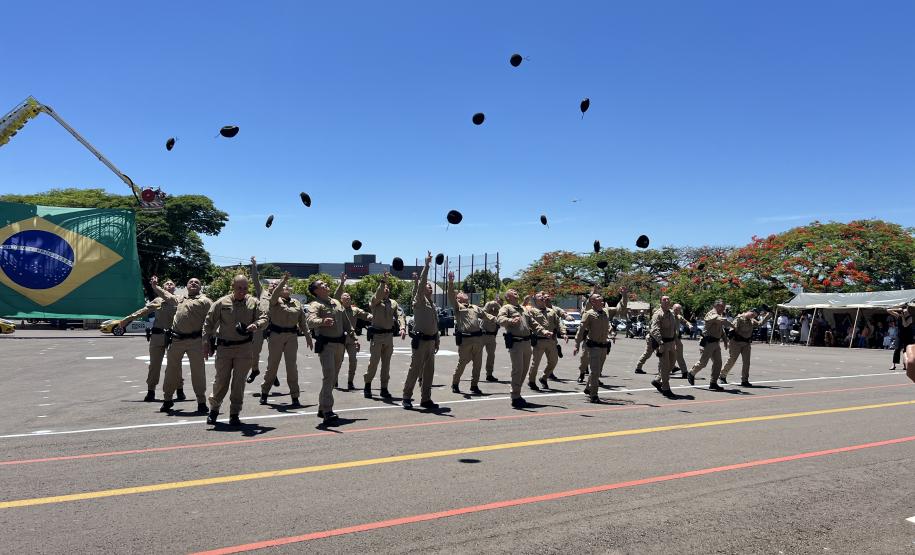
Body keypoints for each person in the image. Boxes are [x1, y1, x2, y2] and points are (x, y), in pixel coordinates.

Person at [203, 275, 267, 426]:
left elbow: (264, 318)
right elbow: (208, 322)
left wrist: (256, 325)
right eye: (239, 288)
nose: (242, 291)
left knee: (239, 383)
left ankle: (234, 414)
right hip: (224, 348)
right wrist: (205, 342)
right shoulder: (221, 302)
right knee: (221, 381)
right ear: (233, 286)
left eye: (245, 288)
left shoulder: (253, 302)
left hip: (244, 348)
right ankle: (214, 410)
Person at [152, 276, 212, 414]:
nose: (193, 283)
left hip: (195, 341)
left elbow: (213, 320)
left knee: (198, 373)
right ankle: (167, 400)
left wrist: (209, 341)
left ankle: (201, 402)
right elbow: (166, 295)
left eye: (197, 282)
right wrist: (156, 287)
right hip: (176, 340)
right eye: (191, 282)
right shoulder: (179, 299)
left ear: (200, 287)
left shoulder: (206, 301)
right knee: (171, 372)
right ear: (186, 286)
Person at [118, 278, 182, 402]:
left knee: (175, 365)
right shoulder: (157, 301)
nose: (169, 285)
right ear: (163, 287)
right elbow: (143, 311)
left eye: (171, 284)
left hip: (173, 336)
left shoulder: (179, 300)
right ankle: (151, 390)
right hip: (157, 336)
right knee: (154, 365)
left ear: (175, 287)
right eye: (166, 284)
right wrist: (127, 319)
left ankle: (180, 389)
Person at [260, 273, 311, 407]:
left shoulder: (297, 303)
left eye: (287, 287)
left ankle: (295, 396)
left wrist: (308, 336)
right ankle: (264, 393)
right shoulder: (274, 300)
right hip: (276, 335)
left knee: (292, 367)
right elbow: (275, 294)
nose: (285, 288)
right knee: (272, 366)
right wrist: (282, 281)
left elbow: (303, 321)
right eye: (282, 287)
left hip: (291, 336)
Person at [307, 277, 353, 424]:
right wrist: (322, 321)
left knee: (332, 379)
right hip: (327, 346)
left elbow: (346, 322)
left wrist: (354, 338)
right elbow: (310, 321)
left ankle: (322, 408)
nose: (325, 285)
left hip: (340, 345)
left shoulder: (336, 302)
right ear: (316, 291)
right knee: (329, 376)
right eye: (322, 284)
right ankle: (327, 410)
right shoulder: (315, 304)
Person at [498, 288, 552, 408]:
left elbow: (533, 323)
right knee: (517, 369)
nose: (515, 291)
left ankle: (517, 392)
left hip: (527, 343)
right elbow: (500, 320)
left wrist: (543, 331)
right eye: (512, 291)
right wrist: (511, 320)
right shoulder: (506, 308)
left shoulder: (523, 309)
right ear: (508, 297)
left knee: (524, 370)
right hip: (516, 343)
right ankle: (515, 396)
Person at [574, 287, 628, 402]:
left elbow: (620, 308)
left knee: (597, 371)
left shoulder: (606, 311)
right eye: (598, 297)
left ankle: (588, 388)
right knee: (594, 371)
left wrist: (624, 295)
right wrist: (577, 345)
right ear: (593, 302)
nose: (601, 298)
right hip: (593, 346)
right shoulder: (588, 314)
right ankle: (594, 395)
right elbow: (581, 330)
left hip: (603, 346)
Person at [402, 251, 440, 410]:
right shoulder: (418, 300)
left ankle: (426, 399)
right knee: (415, 370)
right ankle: (406, 397)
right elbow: (422, 281)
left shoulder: (432, 305)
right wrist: (426, 265)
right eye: (427, 286)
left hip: (431, 341)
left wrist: (437, 340)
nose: (429, 287)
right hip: (420, 341)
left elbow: (435, 325)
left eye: (431, 286)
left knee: (429, 372)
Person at [448, 272, 494, 394]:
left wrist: (500, 320)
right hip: (465, 340)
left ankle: (474, 385)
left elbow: (486, 315)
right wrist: (451, 282)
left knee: (478, 364)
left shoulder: (475, 307)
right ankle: (455, 383)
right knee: (462, 363)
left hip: (478, 339)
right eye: (461, 293)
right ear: (458, 298)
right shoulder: (458, 306)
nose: (464, 293)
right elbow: (450, 295)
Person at [364, 272, 407, 398]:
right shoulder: (375, 301)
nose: (386, 290)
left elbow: (400, 315)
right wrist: (383, 281)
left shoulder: (393, 303)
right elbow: (378, 294)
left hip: (388, 337)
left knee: (386, 365)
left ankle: (384, 388)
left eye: (388, 288)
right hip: (377, 337)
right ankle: (368, 385)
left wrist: (403, 327)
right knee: (373, 363)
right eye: (384, 288)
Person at [334, 273, 371, 391]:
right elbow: (336, 295)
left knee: (353, 361)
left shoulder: (354, 310)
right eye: (345, 297)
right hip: (339, 339)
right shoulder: (338, 309)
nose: (347, 299)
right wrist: (342, 282)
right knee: (338, 361)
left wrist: (373, 317)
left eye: (349, 297)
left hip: (351, 338)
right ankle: (334, 380)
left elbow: (365, 315)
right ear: (341, 300)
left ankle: (350, 381)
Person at [246, 257, 279, 389]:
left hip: (274, 327)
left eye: (276, 285)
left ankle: (272, 374)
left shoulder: (281, 298)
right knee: (255, 350)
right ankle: (255, 370)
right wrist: (254, 266)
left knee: (274, 353)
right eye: (272, 284)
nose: (273, 286)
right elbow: (255, 278)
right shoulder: (262, 292)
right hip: (260, 325)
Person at [687, 299, 733, 390]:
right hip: (708, 341)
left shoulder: (719, 315)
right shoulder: (711, 314)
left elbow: (721, 328)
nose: (723, 308)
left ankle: (713, 382)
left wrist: (724, 339)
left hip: (716, 342)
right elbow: (719, 320)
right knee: (703, 363)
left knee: (718, 363)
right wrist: (731, 324)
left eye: (724, 307)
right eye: (722, 306)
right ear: (716, 306)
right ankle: (691, 373)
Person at [720, 308, 771, 387]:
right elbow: (732, 330)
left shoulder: (751, 320)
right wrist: (729, 342)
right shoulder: (739, 319)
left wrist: (767, 316)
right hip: (736, 342)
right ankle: (722, 376)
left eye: (754, 315)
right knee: (732, 359)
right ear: (749, 311)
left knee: (746, 362)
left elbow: (759, 324)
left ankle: (745, 380)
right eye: (752, 314)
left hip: (746, 343)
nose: (753, 316)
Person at [528, 291, 566, 390]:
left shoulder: (551, 311)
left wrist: (563, 332)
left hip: (551, 341)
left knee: (553, 361)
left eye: (543, 296)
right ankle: (531, 381)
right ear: (535, 300)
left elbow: (558, 323)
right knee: (535, 363)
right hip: (539, 341)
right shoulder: (532, 311)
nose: (542, 297)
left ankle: (544, 378)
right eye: (539, 296)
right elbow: (531, 325)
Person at [648, 296, 679, 397]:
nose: (666, 301)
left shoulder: (671, 314)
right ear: (660, 302)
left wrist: (675, 342)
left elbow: (674, 329)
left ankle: (657, 381)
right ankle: (666, 388)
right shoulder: (658, 314)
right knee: (665, 367)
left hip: (671, 343)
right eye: (664, 300)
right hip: (663, 343)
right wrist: (660, 343)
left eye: (668, 300)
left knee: (671, 365)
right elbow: (654, 330)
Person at [543, 293, 571, 380]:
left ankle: (549, 372)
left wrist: (567, 316)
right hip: (541, 336)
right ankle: (532, 377)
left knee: (552, 358)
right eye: (545, 297)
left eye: (548, 297)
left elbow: (563, 313)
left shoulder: (555, 309)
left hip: (552, 336)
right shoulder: (539, 309)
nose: (547, 298)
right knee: (536, 360)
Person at [481, 295, 502, 382]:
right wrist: (494, 303)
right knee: (474, 355)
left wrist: (499, 306)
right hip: (483, 334)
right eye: (498, 301)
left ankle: (489, 374)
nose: (499, 303)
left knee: (491, 356)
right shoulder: (489, 306)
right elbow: (483, 312)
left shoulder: (499, 311)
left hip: (492, 336)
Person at [888, 305, 913, 370]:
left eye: (905, 310)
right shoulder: (898, 315)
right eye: (903, 309)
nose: (904, 311)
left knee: (905, 350)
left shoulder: (910, 318)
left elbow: (905, 325)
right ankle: (893, 365)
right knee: (897, 349)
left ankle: (905, 365)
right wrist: (898, 308)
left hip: (907, 336)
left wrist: (902, 317)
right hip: (899, 335)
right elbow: (888, 310)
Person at [672, 303, 691, 379]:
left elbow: (685, 322)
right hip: (667, 338)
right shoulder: (668, 315)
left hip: (676, 338)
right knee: (666, 356)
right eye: (676, 309)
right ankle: (662, 373)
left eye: (679, 310)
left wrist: (689, 325)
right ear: (673, 308)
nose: (677, 311)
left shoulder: (679, 317)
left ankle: (684, 372)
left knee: (679, 355)